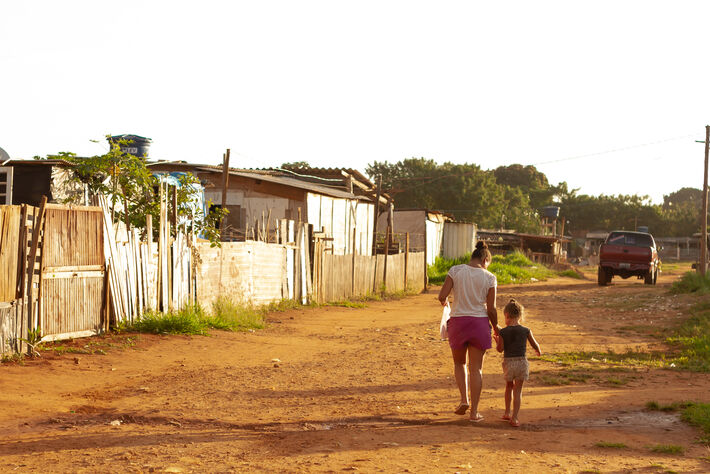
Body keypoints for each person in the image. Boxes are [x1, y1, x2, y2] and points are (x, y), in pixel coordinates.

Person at [438, 241, 499, 422]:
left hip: (457, 322)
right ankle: (474, 413)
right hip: (479, 323)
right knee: (476, 369)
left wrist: (445, 302)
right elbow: (491, 309)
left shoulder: (455, 271)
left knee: (459, 364)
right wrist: (496, 328)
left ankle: (464, 400)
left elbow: (442, 296)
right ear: (485, 259)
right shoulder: (490, 277)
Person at [494, 298, 542, 428]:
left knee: (509, 387)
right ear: (520, 315)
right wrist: (538, 351)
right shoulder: (526, 330)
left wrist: (497, 340)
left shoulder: (503, 332)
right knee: (518, 390)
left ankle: (506, 412)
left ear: (507, 315)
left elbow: (500, 349)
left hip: (509, 363)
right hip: (522, 362)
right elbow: (534, 344)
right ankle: (515, 418)